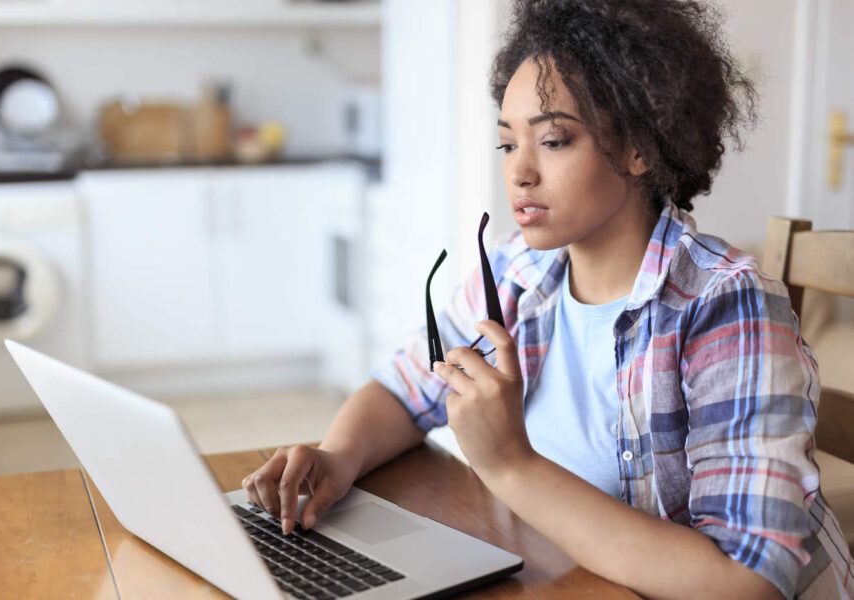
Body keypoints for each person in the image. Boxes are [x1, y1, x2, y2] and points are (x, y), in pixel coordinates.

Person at [243, 1, 854, 598]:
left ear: (641, 147)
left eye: (555, 140)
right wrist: (339, 457)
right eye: (509, 144)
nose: (519, 172)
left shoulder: (726, 305)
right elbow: (405, 389)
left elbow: (744, 581)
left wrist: (509, 463)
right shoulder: (518, 269)